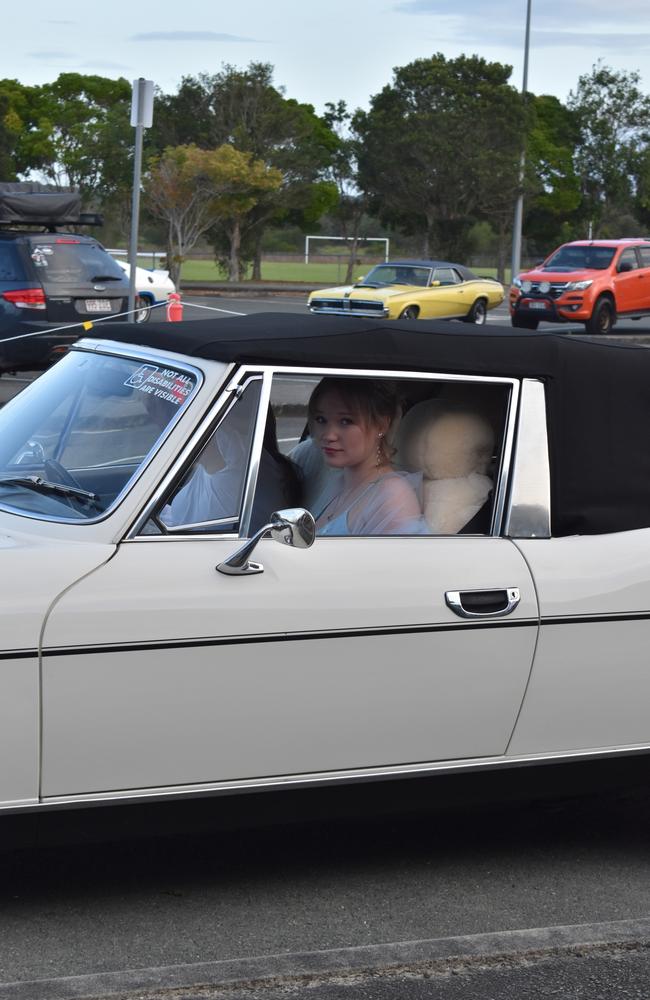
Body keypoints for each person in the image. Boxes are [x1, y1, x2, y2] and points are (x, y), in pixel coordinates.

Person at [307, 377, 428, 536]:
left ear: (381, 425)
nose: (328, 435)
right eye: (321, 419)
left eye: (346, 421)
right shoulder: (339, 481)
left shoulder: (392, 496)